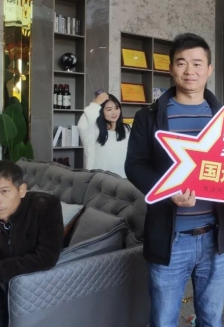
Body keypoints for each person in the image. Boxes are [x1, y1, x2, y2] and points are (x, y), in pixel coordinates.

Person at [125, 33, 224, 327]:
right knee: (164, 321)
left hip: (216, 239)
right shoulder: (149, 117)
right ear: (171, 68)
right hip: (171, 239)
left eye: (197, 63)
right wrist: (167, 191)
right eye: (181, 63)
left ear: (209, 69)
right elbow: (135, 165)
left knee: (211, 320)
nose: (189, 70)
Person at [0, 161, 63, 326]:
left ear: (21, 190)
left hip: (29, 283)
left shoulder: (45, 207)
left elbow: (46, 257)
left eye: (4, 191)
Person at [78, 92, 130, 177]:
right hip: (99, 179)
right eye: (109, 109)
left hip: (124, 179)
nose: (114, 113)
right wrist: (95, 104)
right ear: (101, 111)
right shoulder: (93, 130)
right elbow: (82, 126)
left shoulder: (126, 129)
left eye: (117, 108)